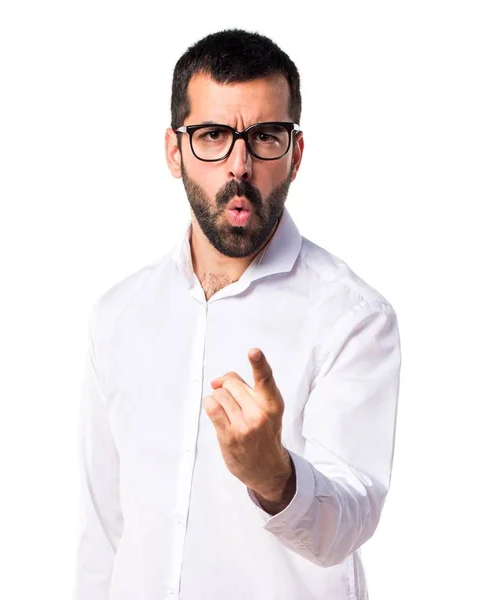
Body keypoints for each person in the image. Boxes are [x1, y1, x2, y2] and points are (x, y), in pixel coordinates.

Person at [73, 28, 402, 600]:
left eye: (265, 137)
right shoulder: (118, 315)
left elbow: (349, 524)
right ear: (175, 151)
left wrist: (273, 475)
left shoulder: (352, 318)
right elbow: (104, 533)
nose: (239, 164)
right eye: (213, 135)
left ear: (295, 154)